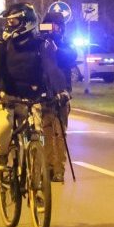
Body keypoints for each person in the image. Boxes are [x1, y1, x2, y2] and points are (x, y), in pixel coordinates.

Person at [0, 4, 68, 182]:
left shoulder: (42, 44)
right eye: (8, 21)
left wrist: (61, 90)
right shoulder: (1, 45)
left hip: (32, 97)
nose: (9, 25)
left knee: (38, 132)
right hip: (6, 95)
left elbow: (52, 69)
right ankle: (1, 156)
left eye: (13, 21)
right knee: (4, 126)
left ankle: (36, 170)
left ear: (26, 22)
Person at [39, 10, 75, 182]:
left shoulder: (65, 44)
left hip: (62, 95)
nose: (51, 29)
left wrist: (57, 47)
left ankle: (59, 169)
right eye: (47, 25)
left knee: (59, 133)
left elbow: (70, 58)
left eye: (54, 26)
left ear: (61, 28)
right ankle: (48, 166)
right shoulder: (41, 43)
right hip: (44, 93)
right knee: (45, 131)